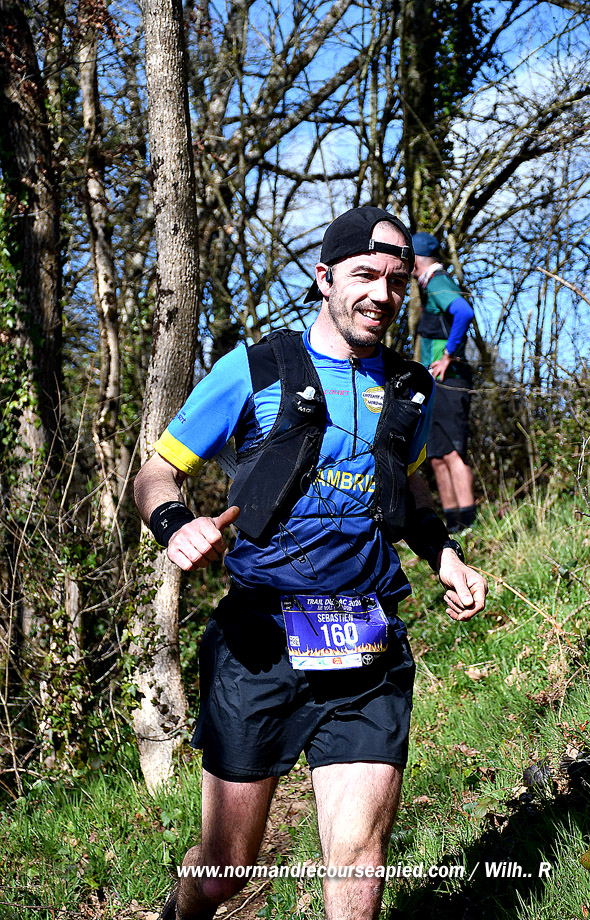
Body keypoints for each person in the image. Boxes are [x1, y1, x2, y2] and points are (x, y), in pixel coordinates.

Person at [134, 206, 487, 920]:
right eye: (364, 275)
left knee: (357, 860)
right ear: (325, 278)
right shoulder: (256, 368)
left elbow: (409, 491)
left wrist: (445, 555)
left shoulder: (410, 387)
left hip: (365, 640)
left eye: (396, 281)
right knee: (225, 873)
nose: (382, 295)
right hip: (259, 641)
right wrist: (176, 525)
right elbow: (154, 474)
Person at [411, 232, 477, 533]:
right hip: (436, 383)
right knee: (436, 455)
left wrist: (448, 355)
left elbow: (464, 312)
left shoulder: (438, 282)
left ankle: (469, 522)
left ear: (416, 260)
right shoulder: (430, 287)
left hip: (451, 380)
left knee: (452, 451)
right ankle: (453, 525)